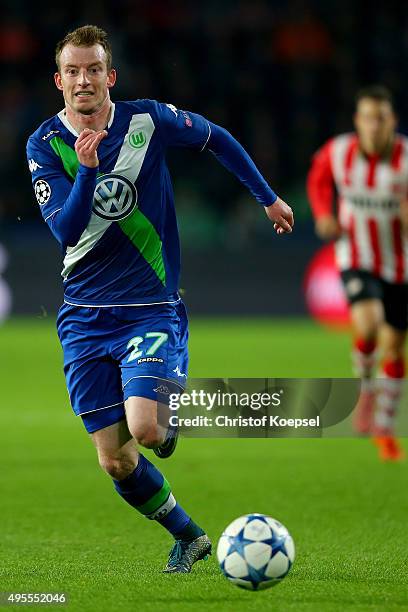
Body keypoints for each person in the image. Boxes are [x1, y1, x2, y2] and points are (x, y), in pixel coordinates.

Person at [26, 25, 294, 572]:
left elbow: (217, 137)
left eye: (94, 69)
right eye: (73, 71)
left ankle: (168, 406)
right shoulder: (43, 145)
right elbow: (68, 231)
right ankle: (189, 536)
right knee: (116, 460)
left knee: (146, 430)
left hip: (150, 305)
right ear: (59, 81)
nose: (84, 80)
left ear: (110, 76)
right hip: (82, 318)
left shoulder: (147, 119)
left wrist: (266, 197)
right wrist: (90, 170)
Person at [307, 85, 408, 461]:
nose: (374, 126)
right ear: (358, 121)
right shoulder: (340, 151)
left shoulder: (405, 160)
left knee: (395, 347)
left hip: (400, 264)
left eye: (381, 118)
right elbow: (318, 178)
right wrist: (323, 213)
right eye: (368, 117)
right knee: (368, 326)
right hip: (356, 255)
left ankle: (384, 427)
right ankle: (366, 391)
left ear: (392, 121)